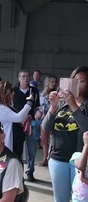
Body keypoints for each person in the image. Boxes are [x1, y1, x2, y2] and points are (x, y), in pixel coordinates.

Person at [42, 65, 88, 202]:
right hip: (58, 158)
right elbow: (46, 127)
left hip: (80, 161)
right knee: (60, 199)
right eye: (75, 80)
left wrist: (74, 105)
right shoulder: (62, 103)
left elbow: (87, 129)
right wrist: (53, 106)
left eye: (83, 81)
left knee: (79, 199)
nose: (78, 84)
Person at [0, 81, 34, 152]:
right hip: (7, 145)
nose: (13, 93)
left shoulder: (2, 107)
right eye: (11, 91)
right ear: (5, 93)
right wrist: (29, 103)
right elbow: (19, 118)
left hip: (10, 143)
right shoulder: (0, 108)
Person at [12, 69, 40, 182]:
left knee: (32, 149)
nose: (25, 78)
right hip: (17, 124)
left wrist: (38, 114)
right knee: (17, 149)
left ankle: (30, 172)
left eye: (27, 76)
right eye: (23, 76)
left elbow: (37, 107)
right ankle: (18, 173)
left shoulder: (34, 91)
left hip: (30, 123)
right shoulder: (13, 91)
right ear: (19, 78)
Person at [38, 75, 57, 166]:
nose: (54, 84)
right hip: (43, 118)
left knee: (52, 140)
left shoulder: (56, 93)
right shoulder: (42, 94)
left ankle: (49, 158)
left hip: (54, 118)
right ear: (47, 82)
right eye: (52, 82)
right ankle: (45, 158)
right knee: (44, 140)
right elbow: (39, 105)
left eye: (55, 82)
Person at [70, 131, 88, 202]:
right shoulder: (77, 155)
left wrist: (83, 179)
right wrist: (86, 145)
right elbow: (81, 166)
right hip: (79, 199)